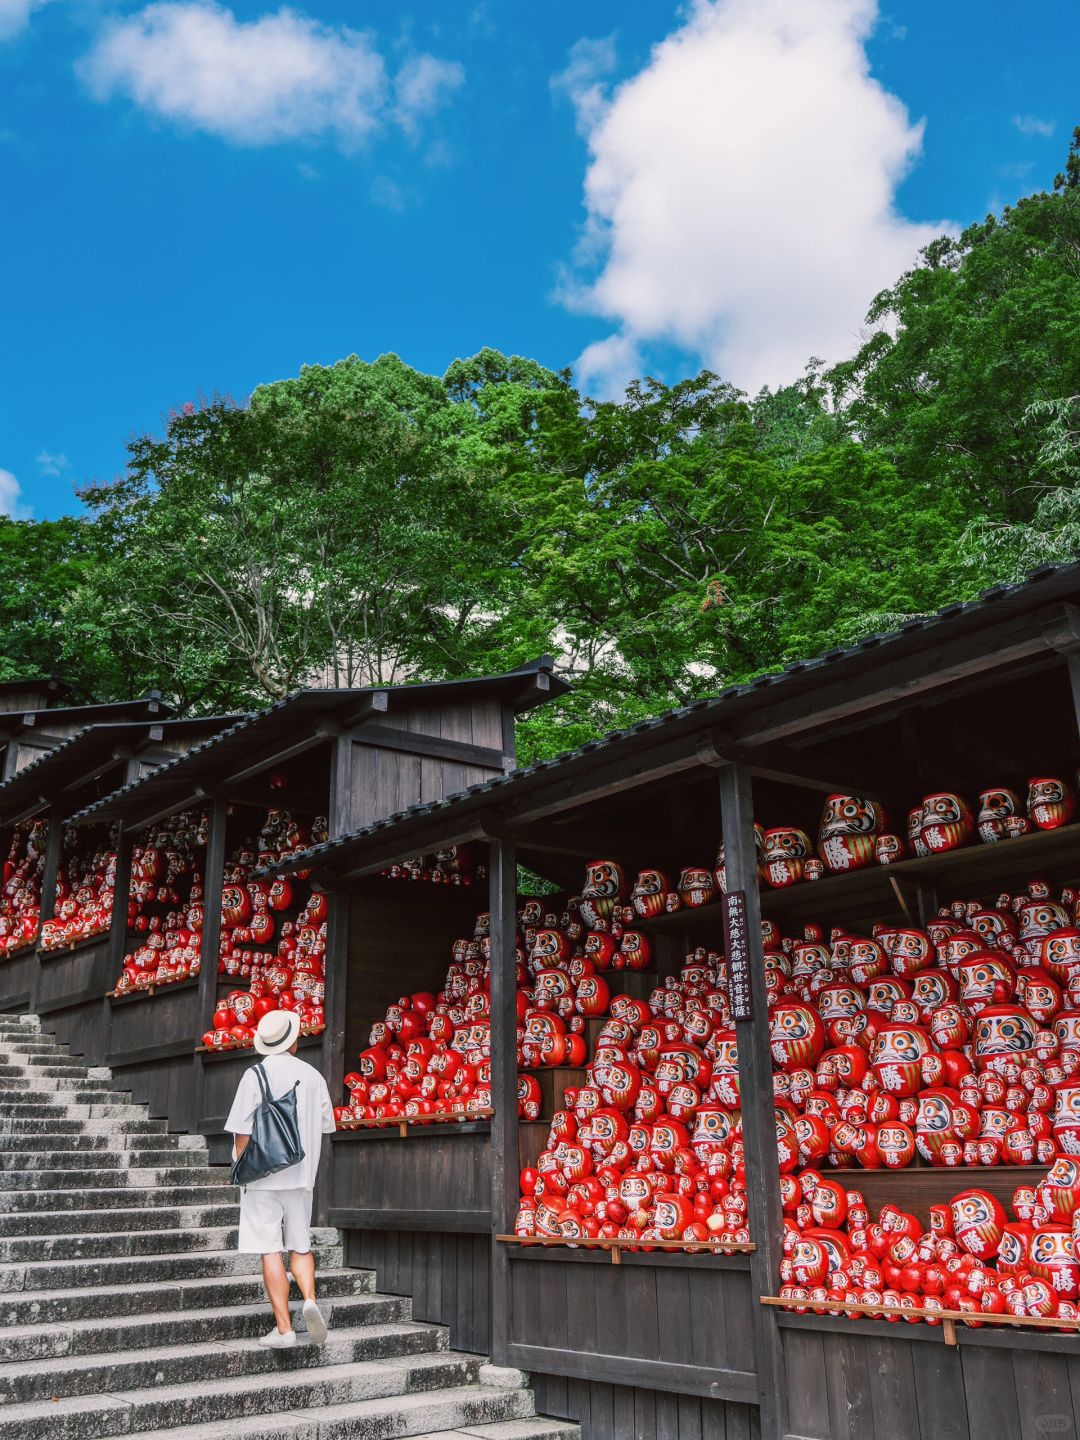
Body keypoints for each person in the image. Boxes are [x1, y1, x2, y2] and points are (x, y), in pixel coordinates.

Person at [225, 1008, 336, 1349]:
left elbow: (241, 1132)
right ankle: (311, 1299)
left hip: (262, 1177)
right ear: (294, 1042)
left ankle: (285, 1329)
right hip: (302, 1176)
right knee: (300, 1244)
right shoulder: (313, 1075)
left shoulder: (254, 1075)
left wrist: (240, 1163)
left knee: (270, 1249)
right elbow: (326, 1126)